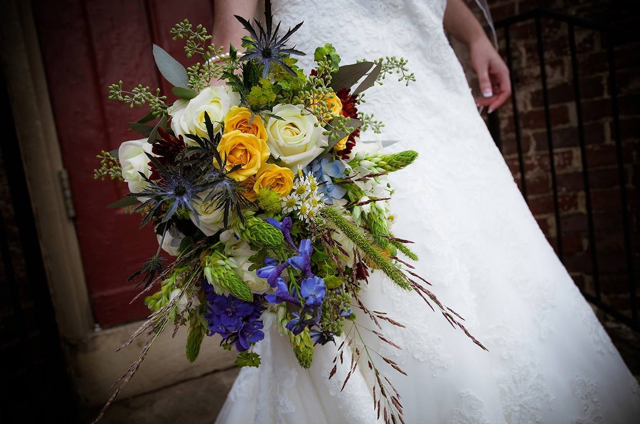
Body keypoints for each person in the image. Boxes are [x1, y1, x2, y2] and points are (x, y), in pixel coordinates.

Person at [210, 1, 640, 423]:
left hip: (437, 90)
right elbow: (232, 38)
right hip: (337, 106)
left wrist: (475, 36)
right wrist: (207, 145)